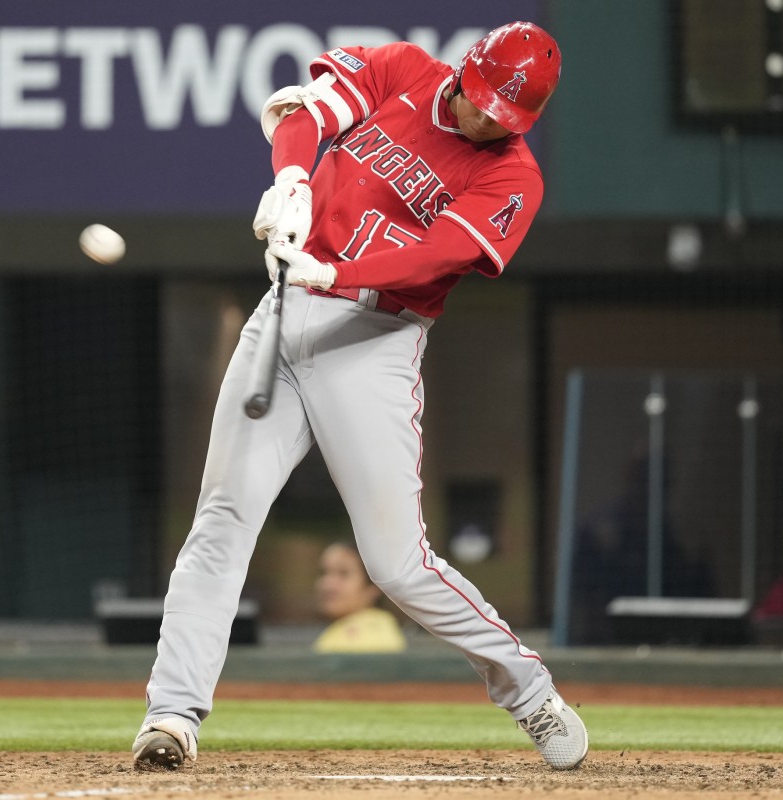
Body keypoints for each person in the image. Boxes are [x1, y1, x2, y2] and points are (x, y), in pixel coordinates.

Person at [131, 22, 587, 772]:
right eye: (482, 103)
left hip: (374, 337)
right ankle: (172, 715)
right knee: (221, 518)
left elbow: (445, 252)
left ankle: (527, 688)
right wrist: (291, 179)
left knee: (398, 564)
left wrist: (335, 276)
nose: (486, 121)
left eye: (505, 117)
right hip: (283, 314)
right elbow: (305, 112)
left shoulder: (514, 175)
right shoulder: (400, 68)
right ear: (468, 71)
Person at [313, 541, 407, 653]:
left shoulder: (374, 637)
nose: (327, 584)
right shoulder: (339, 631)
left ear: (374, 585)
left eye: (343, 574)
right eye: (323, 572)